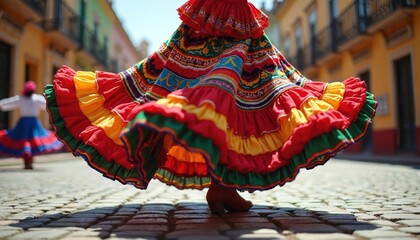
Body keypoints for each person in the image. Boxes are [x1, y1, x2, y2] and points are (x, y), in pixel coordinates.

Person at [44, 0, 377, 214]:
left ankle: (222, 187)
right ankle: (222, 187)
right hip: (220, 13)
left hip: (216, 14)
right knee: (229, 92)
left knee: (232, 94)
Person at [0, 81, 63, 169]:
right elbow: (49, 105)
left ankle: (27, 163)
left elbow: (6, 103)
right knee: (32, 141)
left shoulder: (22, 98)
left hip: (25, 123)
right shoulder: (35, 98)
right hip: (31, 123)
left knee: (26, 141)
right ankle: (28, 163)